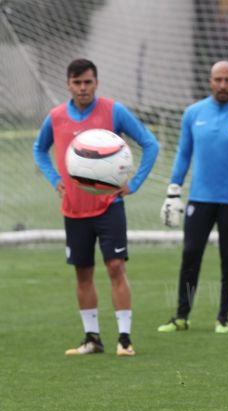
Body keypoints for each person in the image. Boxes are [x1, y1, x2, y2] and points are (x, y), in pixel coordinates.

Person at [33, 58, 160, 356]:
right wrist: (54, 178)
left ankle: (125, 338)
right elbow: (39, 149)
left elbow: (150, 143)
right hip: (74, 209)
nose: (83, 88)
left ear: (96, 83)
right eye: (77, 83)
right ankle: (92, 338)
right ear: (68, 84)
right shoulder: (56, 116)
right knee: (83, 273)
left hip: (109, 207)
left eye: (88, 82)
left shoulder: (113, 110)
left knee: (116, 267)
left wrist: (135, 182)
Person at [157, 60, 228, 334]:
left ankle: (223, 318)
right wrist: (174, 189)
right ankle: (182, 316)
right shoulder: (193, 113)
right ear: (210, 81)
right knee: (191, 254)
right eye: (218, 79)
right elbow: (184, 153)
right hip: (200, 198)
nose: (222, 85)